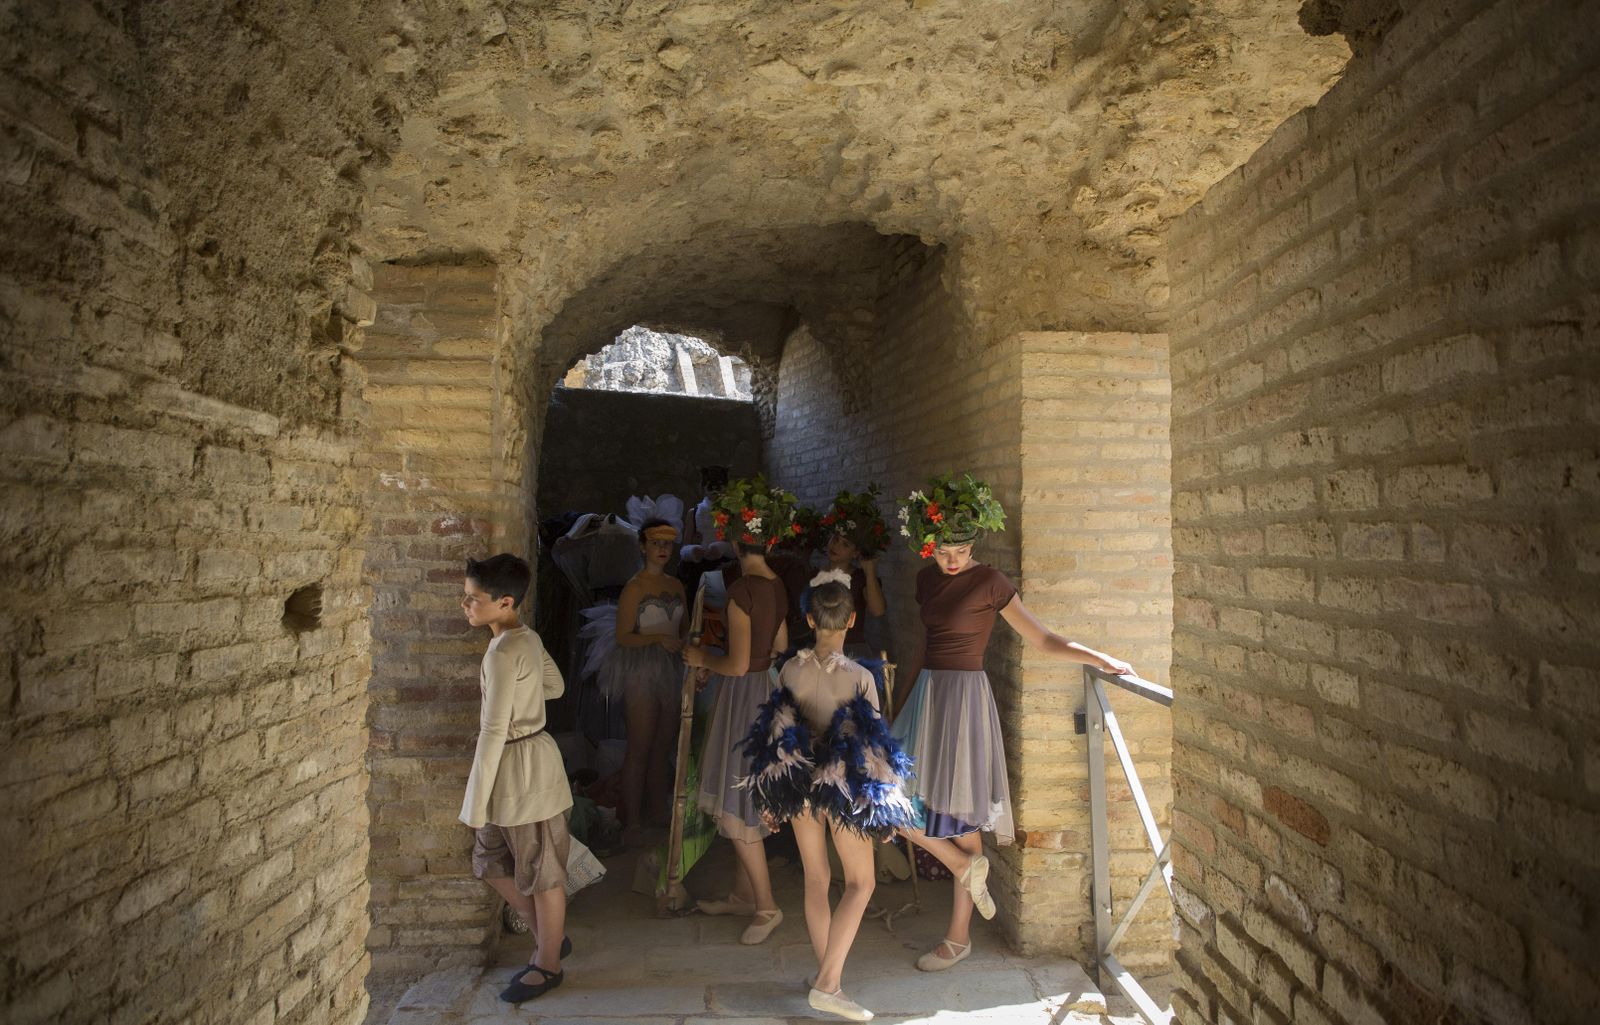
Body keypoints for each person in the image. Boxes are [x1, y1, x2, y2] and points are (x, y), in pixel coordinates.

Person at [892, 474, 1134, 972]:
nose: (952, 561)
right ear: (928, 547)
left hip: (965, 702)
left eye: (961, 551)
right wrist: (902, 704)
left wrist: (1100, 657)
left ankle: (958, 937)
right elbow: (923, 645)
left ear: (974, 544)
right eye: (943, 552)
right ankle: (962, 866)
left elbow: (1042, 639)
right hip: (927, 698)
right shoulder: (926, 580)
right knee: (886, 795)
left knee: (961, 817)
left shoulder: (991, 582)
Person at [739, 576, 916, 1022]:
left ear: (810, 619)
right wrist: (885, 810)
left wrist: (770, 797)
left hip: (800, 784)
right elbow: (873, 750)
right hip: (843, 787)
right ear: (852, 620)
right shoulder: (861, 677)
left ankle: (827, 978)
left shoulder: (789, 671)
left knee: (816, 879)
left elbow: (776, 737)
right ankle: (828, 984)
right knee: (861, 883)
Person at [682, 476, 797, 945]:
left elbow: (736, 663)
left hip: (743, 696)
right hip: (767, 691)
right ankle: (742, 894)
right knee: (746, 793)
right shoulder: (777, 585)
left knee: (739, 800)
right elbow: (781, 646)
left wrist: (700, 658)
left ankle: (767, 907)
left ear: (733, 541)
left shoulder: (740, 591)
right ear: (769, 541)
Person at [458, 554, 574, 1003]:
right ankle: (550, 937)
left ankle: (549, 964)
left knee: (542, 870)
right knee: (489, 861)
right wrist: (526, 695)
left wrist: (473, 803)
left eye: (474, 599)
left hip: (526, 771)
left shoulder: (505, 653)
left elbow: (492, 730)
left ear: (505, 602)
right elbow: (555, 686)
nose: (466, 605)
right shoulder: (524, 639)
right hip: (517, 763)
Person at [601, 518, 687, 845]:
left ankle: (658, 810)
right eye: (656, 543)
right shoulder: (634, 587)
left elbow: (684, 630)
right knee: (640, 745)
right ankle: (633, 822)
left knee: (663, 743)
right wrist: (657, 640)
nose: (663, 549)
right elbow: (623, 636)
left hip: (671, 668)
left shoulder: (677, 586)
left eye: (668, 544)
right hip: (641, 669)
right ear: (643, 547)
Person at [814, 487, 889, 660]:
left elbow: (878, 611)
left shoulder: (861, 578)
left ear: (855, 553)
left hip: (851, 652)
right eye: (835, 539)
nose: (836, 546)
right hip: (818, 648)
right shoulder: (814, 575)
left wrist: (870, 571)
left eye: (845, 544)